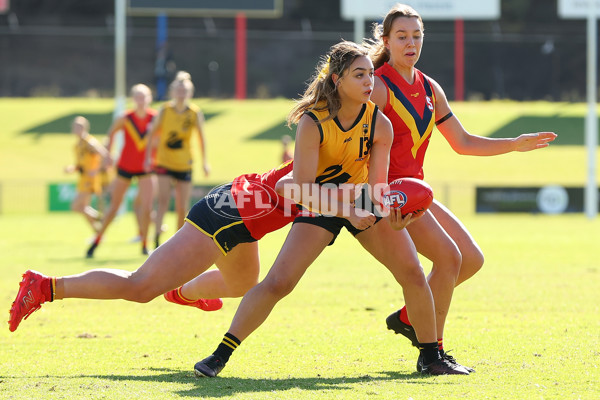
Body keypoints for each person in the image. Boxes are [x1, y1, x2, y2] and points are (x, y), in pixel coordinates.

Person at [193, 41, 469, 378]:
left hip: (361, 201)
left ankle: (431, 357)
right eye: (359, 75)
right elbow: (295, 187)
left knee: (411, 272)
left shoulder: (380, 123)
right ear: (337, 79)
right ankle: (220, 355)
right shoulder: (314, 121)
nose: (369, 81)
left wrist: (393, 219)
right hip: (320, 203)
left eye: (370, 74)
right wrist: (346, 210)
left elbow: (378, 189)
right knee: (279, 282)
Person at [366, 3, 557, 371]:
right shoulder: (377, 87)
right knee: (449, 258)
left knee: (470, 259)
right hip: (389, 194)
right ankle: (432, 353)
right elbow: (359, 146)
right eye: (402, 36)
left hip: (416, 190)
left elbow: (464, 142)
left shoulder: (429, 88)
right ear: (386, 41)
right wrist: (373, 196)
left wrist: (514, 143)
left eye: (417, 36)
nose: (411, 43)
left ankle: (410, 318)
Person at [8, 160, 304, 333]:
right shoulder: (323, 136)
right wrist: (347, 208)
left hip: (243, 219)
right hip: (226, 214)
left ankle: (181, 292)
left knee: (242, 283)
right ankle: (45, 286)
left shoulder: (345, 145)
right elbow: (289, 185)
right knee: (141, 287)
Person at [86, 84, 158, 258]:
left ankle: (144, 244)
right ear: (133, 99)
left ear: (149, 99)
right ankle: (96, 241)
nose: (141, 101)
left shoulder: (155, 118)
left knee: (147, 207)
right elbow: (110, 134)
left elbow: (161, 140)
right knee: (114, 207)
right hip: (125, 167)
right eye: (138, 97)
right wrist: (108, 156)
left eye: (144, 97)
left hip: (146, 168)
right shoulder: (125, 118)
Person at [145, 71, 210, 249]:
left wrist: (205, 162)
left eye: (185, 91)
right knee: (163, 200)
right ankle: (157, 239)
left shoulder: (194, 113)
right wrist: (147, 158)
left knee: (182, 206)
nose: (181, 94)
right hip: (164, 162)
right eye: (178, 91)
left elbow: (201, 138)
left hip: (185, 163)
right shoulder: (165, 110)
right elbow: (151, 135)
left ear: (190, 93)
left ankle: (177, 245)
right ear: (173, 92)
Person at [63, 116, 110, 233]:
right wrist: (72, 168)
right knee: (83, 208)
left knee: (76, 206)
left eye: (80, 126)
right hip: (83, 178)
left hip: (90, 179)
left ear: (85, 128)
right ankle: (98, 233)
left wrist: (96, 170)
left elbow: (104, 154)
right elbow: (81, 165)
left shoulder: (89, 142)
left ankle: (101, 218)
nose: (77, 129)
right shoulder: (77, 145)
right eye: (75, 126)